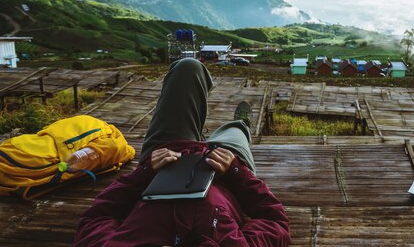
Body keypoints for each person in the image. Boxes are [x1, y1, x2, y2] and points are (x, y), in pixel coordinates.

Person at [74, 58, 291, 247]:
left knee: (188, 68)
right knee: (237, 133)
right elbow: (274, 221)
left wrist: (146, 172)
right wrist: (236, 170)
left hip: (165, 157)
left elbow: (96, 218)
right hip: (225, 172)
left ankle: (232, 127)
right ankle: (242, 123)